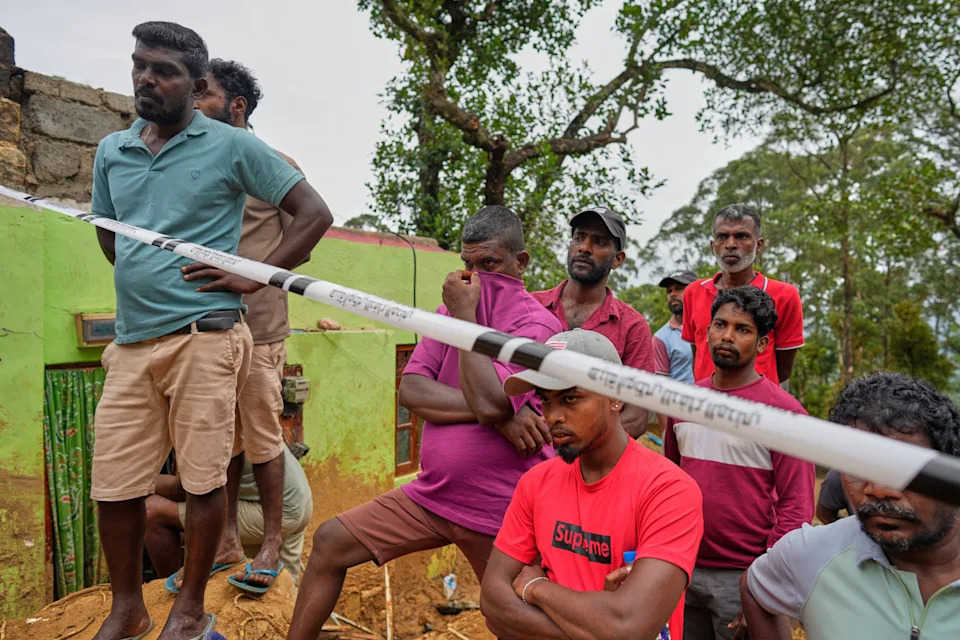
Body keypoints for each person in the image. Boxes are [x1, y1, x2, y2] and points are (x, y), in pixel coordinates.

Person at [90, 22, 332, 640]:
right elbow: (109, 234)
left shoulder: (230, 146)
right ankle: (127, 610)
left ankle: (191, 607)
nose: (147, 78)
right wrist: (148, 282)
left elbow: (315, 214)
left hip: (207, 335)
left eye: (164, 70)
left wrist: (257, 276)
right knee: (114, 486)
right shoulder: (111, 151)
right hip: (133, 341)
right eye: (140, 65)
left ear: (195, 83)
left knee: (206, 478)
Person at [287, 206, 562, 639]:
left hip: (498, 509)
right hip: (431, 496)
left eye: (489, 264)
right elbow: (413, 392)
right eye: (467, 265)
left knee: (509, 617)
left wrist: (468, 325)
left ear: (520, 263)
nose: (474, 277)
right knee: (329, 542)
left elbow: (492, 401)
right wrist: (502, 417)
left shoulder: (537, 325)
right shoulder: (446, 313)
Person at [182, 57, 313, 594]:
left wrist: (252, 279)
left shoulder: (274, 163)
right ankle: (231, 543)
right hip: (207, 326)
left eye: (204, 94)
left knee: (262, 436)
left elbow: (304, 236)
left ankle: (273, 543)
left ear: (236, 106)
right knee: (224, 439)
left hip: (259, 327)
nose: (194, 104)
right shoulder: (197, 164)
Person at [480, 329, 704, 640]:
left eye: (570, 398)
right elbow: (493, 602)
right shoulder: (536, 483)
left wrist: (537, 588)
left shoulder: (668, 490)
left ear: (615, 397)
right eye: (545, 400)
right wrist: (597, 628)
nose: (553, 416)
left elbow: (630, 627)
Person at [741, 373, 960, 640]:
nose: (878, 489)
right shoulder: (813, 554)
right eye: (858, 465)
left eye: (905, 467)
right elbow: (754, 587)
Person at [664, 287, 815, 640]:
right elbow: (670, 484)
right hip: (683, 568)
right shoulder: (682, 404)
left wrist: (764, 588)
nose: (727, 336)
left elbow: (797, 510)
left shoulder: (785, 415)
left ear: (763, 345)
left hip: (745, 576)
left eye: (743, 329)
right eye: (720, 324)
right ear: (707, 331)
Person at [533, 206, 655, 437]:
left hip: (588, 465)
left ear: (617, 259)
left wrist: (568, 444)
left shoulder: (632, 326)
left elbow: (636, 417)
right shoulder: (529, 306)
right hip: (522, 456)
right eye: (579, 238)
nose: (584, 248)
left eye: (599, 242)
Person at [145, 447, 313, 587]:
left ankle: (170, 594)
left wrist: (131, 477)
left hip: (275, 510)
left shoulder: (199, 423)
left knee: (153, 510)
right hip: (298, 500)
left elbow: (183, 489)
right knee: (284, 589)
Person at [681, 204, 803, 385]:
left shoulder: (785, 295)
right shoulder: (693, 292)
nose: (730, 245)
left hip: (757, 408)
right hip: (704, 405)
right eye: (722, 236)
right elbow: (699, 354)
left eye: (741, 236)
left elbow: (783, 370)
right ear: (713, 245)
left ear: (759, 245)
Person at [653, 269, 697, 432]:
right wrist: (668, 435)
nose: (672, 294)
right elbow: (659, 392)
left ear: (695, 291)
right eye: (669, 291)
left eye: (679, 288)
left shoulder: (714, 328)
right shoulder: (661, 338)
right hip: (682, 420)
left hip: (716, 416)